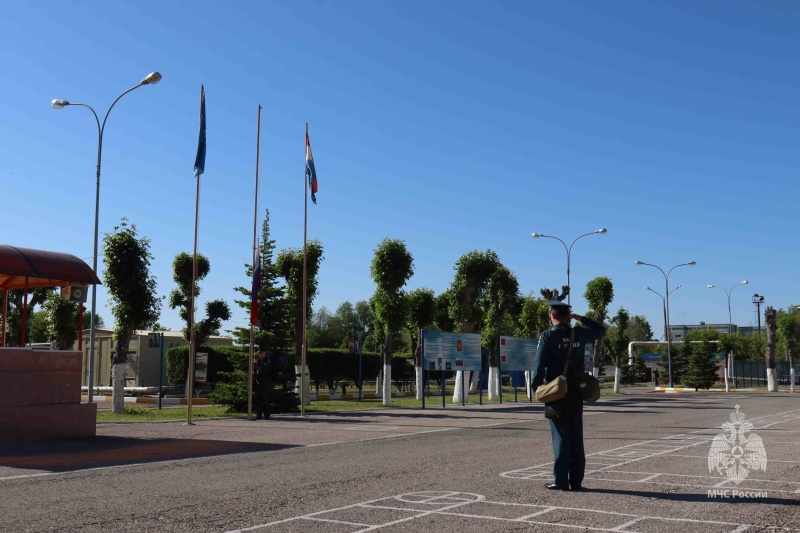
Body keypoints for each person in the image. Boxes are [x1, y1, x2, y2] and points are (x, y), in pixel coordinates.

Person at [532, 299, 605, 491]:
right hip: (577, 390)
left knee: (560, 435)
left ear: (552, 315)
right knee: (575, 434)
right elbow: (601, 330)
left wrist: (535, 386)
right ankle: (577, 480)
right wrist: (581, 318)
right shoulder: (578, 333)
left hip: (556, 391)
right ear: (568, 316)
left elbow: (539, 364)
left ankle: (561, 480)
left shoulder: (547, 335)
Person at [253, 345, 273, 420]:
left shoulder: (267, 360)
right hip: (258, 382)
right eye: (259, 353)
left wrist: (257, 364)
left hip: (265, 383)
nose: (260, 354)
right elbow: (255, 371)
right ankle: (259, 414)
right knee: (258, 400)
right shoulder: (258, 360)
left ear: (265, 353)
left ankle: (266, 415)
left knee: (265, 399)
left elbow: (263, 370)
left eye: (261, 353)